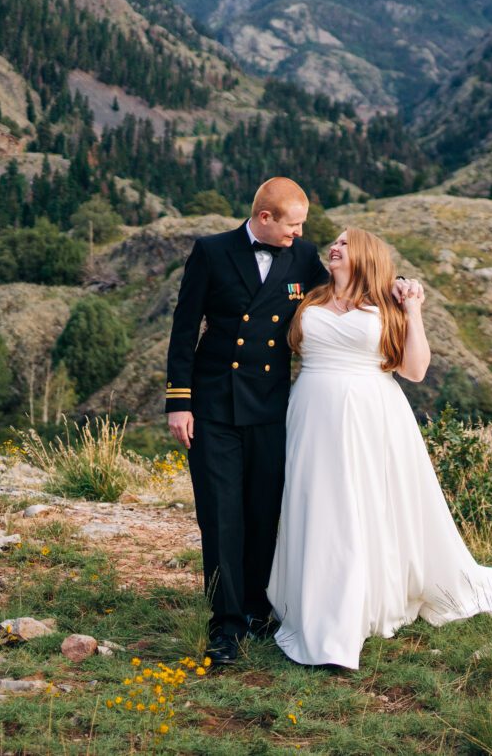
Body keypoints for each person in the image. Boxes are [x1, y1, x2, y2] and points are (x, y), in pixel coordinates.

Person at [267, 229, 492, 670]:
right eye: (336, 242)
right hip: (311, 414)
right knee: (317, 504)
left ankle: (352, 610)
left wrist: (414, 310)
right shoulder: (310, 299)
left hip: (371, 417)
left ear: (365, 255)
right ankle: (312, 601)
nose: (335, 247)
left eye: (345, 243)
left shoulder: (387, 306)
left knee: (358, 508)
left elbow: (415, 370)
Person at [165, 177, 330, 665]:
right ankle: (226, 627)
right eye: (292, 225)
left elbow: (338, 299)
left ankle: (258, 611)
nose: (298, 234)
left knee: (264, 514)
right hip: (213, 404)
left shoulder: (304, 256)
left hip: (271, 407)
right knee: (221, 518)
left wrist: (396, 294)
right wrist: (179, 400)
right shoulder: (212, 252)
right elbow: (183, 325)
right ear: (265, 218)